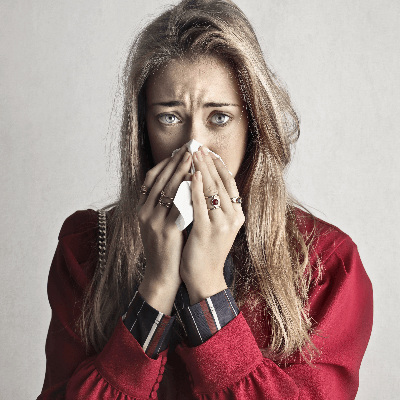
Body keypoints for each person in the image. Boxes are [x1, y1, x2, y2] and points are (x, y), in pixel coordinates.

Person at [38, 0, 373, 399]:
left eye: (219, 118)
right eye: (170, 117)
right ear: (143, 130)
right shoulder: (86, 248)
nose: (194, 147)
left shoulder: (326, 265)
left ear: (254, 125)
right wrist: (157, 286)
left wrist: (209, 291)